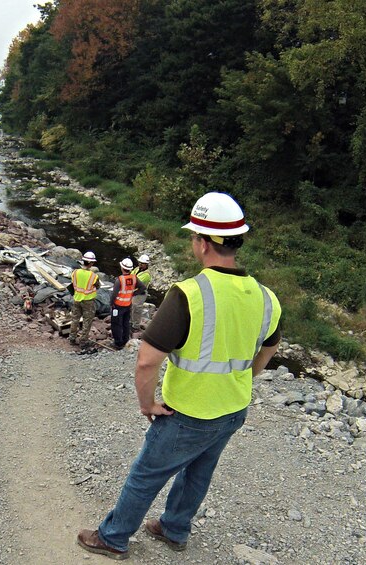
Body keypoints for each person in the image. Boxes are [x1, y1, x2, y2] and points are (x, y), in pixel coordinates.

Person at [77, 192, 282, 560]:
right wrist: (245, 378)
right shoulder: (267, 297)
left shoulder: (189, 294)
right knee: (198, 472)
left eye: (193, 236)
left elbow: (146, 361)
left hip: (188, 411)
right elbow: (268, 348)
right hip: (233, 408)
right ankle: (174, 529)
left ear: (203, 243)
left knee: (146, 475)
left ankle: (113, 537)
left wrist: (147, 404)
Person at [110, 257, 145, 349]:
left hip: (118, 305)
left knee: (116, 324)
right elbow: (142, 287)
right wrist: (133, 293)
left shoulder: (120, 280)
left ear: (122, 268)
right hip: (128, 305)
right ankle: (125, 340)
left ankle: (118, 343)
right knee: (125, 323)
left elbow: (114, 294)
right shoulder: (134, 278)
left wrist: (111, 303)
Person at [69, 251, 101, 346]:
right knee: (87, 321)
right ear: (91, 263)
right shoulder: (93, 276)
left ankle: (72, 338)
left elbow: (73, 283)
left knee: (75, 319)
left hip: (77, 298)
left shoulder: (75, 272)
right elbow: (97, 286)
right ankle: (83, 341)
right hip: (88, 301)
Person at [130, 254, 152, 331]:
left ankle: (135, 325)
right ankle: (130, 322)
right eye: (139, 262)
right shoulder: (137, 269)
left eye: (142, 263)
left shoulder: (146, 275)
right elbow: (131, 275)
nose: (140, 264)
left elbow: (135, 282)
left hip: (140, 293)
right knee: (130, 307)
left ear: (146, 264)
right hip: (134, 291)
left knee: (136, 308)